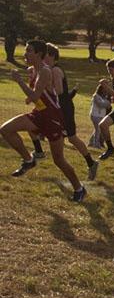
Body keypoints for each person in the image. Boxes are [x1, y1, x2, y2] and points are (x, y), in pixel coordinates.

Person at [0, 41, 86, 201]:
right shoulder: (32, 70)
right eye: (25, 50)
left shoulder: (46, 71)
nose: (25, 54)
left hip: (52, 118)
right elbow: (37, 96)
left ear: (39, 54)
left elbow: (35, 95)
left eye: (29, 51)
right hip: (38, 114)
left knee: (59, 160)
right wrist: (30, 98)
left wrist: (19, 81)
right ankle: (28, 160)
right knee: (5, 129)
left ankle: (79, 188)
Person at [44, 44, 99, 180]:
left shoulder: (56, 70)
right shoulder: (51, 69)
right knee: (58, 136)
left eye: (43, 55)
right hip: (58, 107)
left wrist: (46, 86)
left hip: (64, 108)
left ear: (50, 55)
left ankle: (91, 163)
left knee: (72, 138)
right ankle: (59, 162)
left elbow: (60, 91)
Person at [88, 84, 110, 148]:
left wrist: (106, 103)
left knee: (97, 129)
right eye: (104, 89)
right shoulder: (95, 96)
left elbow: (108, 106)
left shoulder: (104, 97)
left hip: (101, 115)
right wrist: (107, 103)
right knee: (98, 129)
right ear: (101, 89)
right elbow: (100, 105)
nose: (105, 91)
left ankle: (91, 142)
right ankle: (96, 144)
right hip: (95, 115)